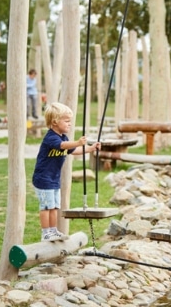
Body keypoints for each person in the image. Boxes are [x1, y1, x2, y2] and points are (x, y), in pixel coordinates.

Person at [32, 102, 101, 241]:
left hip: (53, 178)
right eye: (67, 120)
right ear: (55, 122)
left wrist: (90, 148)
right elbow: (62, 146)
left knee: (54, 207)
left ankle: (53, 230)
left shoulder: (64, 137)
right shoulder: (51, 137)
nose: (70, 124)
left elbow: (73, 150)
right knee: (46, 207)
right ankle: (45, 232)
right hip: (43, 178)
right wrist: (77, 142)